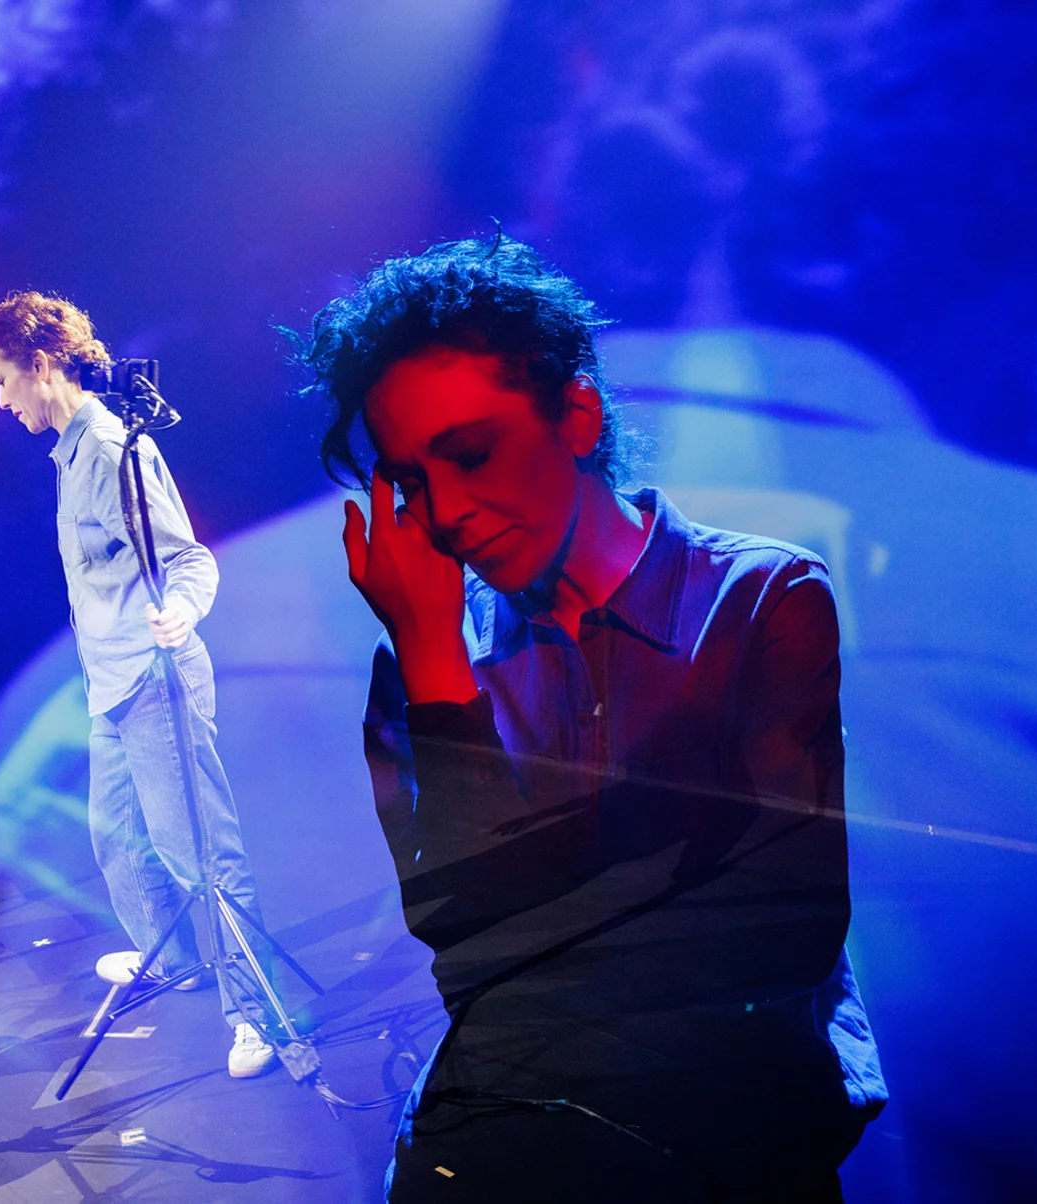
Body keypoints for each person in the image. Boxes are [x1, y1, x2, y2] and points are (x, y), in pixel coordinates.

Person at [296, 239, 886, 1201]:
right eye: (409, 480)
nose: (445, 512)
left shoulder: (761, 601)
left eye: (472, 452)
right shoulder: (420, 661)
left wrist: (545, 942)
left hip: (732, 1146)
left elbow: (778, 942)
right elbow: (468, 952)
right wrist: (439, 669)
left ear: (576, 411)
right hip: (516, 1147)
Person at [0, 291, 276, 1079]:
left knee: (196, 850)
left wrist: (183, 615)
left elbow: (189, 559)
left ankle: (260, 1015)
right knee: (116, 839)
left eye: (2, 380)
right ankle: (178, 962)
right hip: (111, 685)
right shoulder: (69, 451)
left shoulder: (108, 450)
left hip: (155, 681)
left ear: (40, 366)